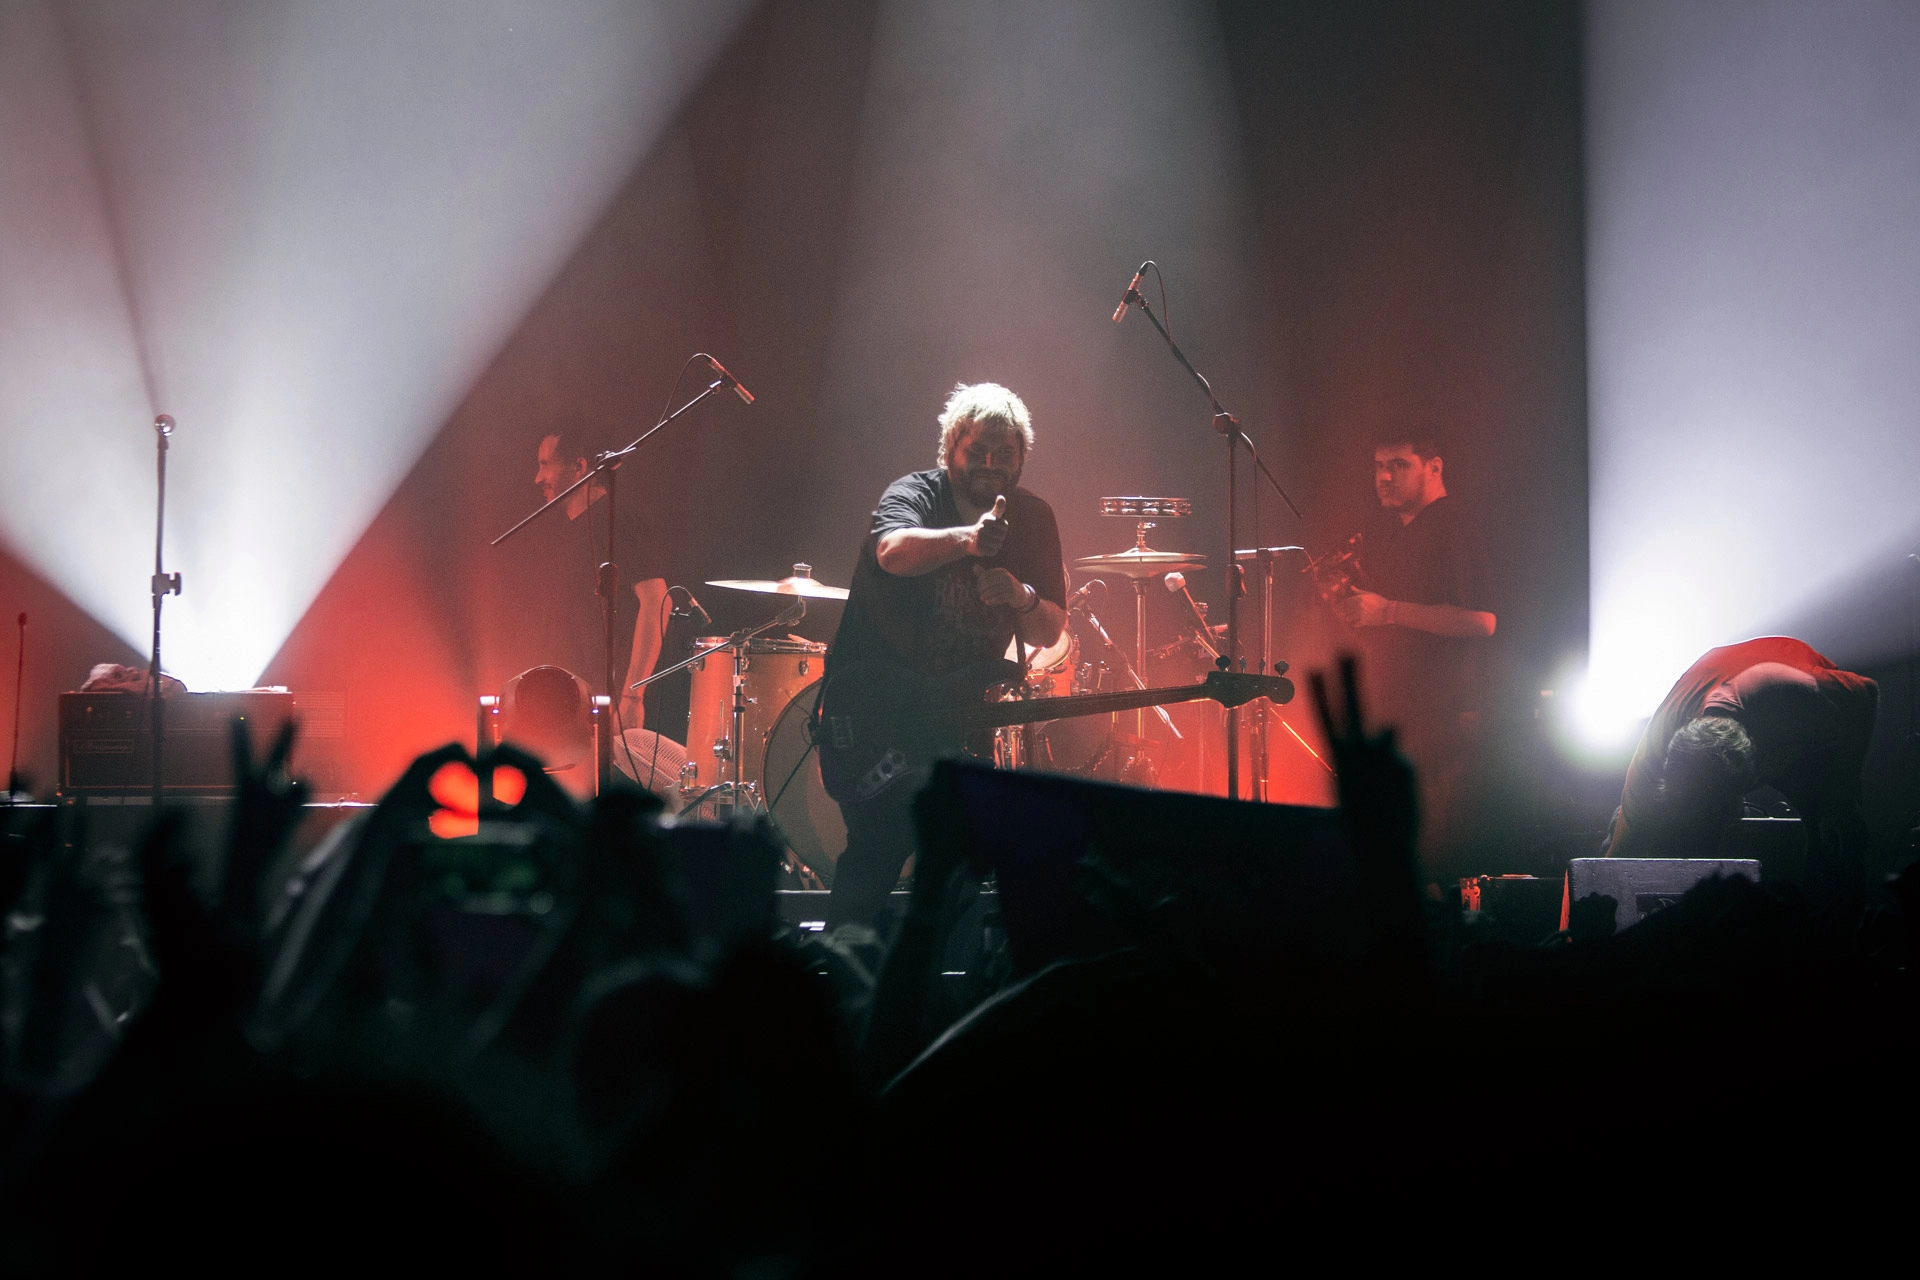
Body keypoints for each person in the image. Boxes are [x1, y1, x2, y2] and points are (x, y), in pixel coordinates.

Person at [821, 383, 1067, 928]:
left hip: (960, 723)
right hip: (875, 718)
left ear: (1021, 457)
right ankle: (843, 981)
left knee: (962, 872)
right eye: (976, 451)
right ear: (950, 449)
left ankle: (936, 994)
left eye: (1004, 454)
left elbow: (1050, 627)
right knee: (875, 856)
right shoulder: (912, 494)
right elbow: (890, 552)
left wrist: (1021, 596)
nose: (990, 464)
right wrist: (967, 540)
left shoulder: (1035, 518)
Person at [1601, 636, 1877, 916]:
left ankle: (1839, 939)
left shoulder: (1786, 689)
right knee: (1660, 840)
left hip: (1790, 717)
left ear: (1740, 788)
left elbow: (1868, 692)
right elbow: (1612, 864)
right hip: (1728, 703)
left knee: (1840, 833)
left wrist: (1844, 785)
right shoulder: (1651, 760)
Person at [1331, 433, 1496, 850]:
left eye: (1400, 464)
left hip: (1440, 715)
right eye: (1379, 465)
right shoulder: (1398, 534)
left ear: (1434, 467)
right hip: (1401, 715)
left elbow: (1483, 621)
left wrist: (1387, 611)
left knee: (1430, 849)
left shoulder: (1453, 525)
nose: (1385, 476)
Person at [529, 425, 690, 745]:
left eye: (546, 464)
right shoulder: (570, 531)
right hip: (570, 706)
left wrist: (632, 699)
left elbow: (658, 600)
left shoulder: (616, 523)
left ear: (579, 467)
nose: (538, 477)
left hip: (607, 707)